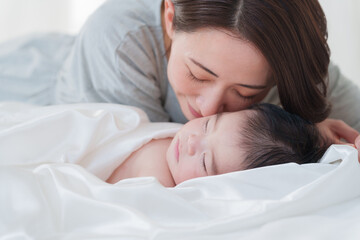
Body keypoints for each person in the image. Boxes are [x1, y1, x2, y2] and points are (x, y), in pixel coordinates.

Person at [0, 0, 359, 143]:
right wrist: (307, 138)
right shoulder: (121, 42)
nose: (209, 107)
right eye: (199, 75)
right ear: (170, 19)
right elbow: (163, 169)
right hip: (22, 75)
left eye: (247, 94)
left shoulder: (292, 64)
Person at [106, 103, 330, 187]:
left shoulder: (160, 184)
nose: (191, 142)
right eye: (207, 125)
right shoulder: (161, 173)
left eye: (204, 162)